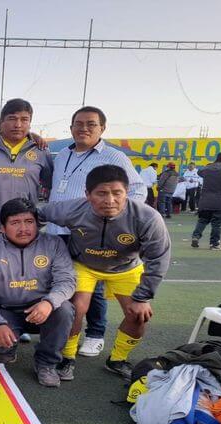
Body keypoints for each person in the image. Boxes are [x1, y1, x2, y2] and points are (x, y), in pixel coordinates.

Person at [40, 164, 171, 380]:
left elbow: (157, 259)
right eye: (101, 193)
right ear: (87, 195)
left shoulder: (147, 217)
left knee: (139, 315)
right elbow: (36, 213)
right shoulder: (71, 209)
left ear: (126, 193)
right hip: (84, 265)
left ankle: (117, 359)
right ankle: (67, 357)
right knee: (75, 308)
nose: (109, 200)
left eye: (116, 193)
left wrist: (143, 297)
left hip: (126, 267)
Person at [46, 105, 147, 359]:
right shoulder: (61, 155)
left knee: (97, 283)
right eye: (79, 124)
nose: (84, 128)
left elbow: (137, 190)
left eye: (91, 124)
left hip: (91, 231)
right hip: (57, 230)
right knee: (70, 286)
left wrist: (112, 221)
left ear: (102, 128)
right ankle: (65, 338)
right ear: (71, 128)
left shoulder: (114, 157)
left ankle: (96, 334)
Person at [0, 198, 76, 387]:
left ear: (37, 223)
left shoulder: (54, 244)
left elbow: (67, 281)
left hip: (41, 309)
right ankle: (8, 347)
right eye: (15, 223)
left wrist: (49, 302)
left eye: (29, 222)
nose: (23, 229)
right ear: (3, 227)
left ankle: (46, 363)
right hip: (6, 311)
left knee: (65, 309)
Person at [0, 98, 54, 234]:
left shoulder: (41, 151)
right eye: (12, 118)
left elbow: (51, 187)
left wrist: (42, 218)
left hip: (24, 232)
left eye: (24, 119)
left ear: (30, 123)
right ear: (1, 122)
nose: (18, 124)